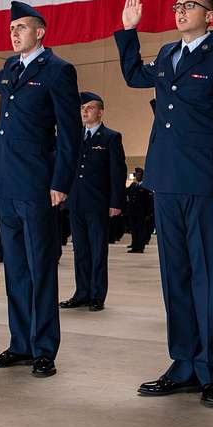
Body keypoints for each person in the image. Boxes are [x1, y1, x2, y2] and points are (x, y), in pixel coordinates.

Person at [115, 0, 213, 408]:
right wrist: (129, 31)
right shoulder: (168, 53)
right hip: (168, 180)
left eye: (190, 5)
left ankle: (212, 371)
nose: (180, 11)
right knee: (174, 276)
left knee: (209, 277)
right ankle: (183, 364)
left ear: (210, 15)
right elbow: (135, 75)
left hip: (207, 182)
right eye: (177, 6)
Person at [0, 1, 82, 377]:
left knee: (40, 269)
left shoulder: (58, 71)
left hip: (36, 183)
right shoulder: (10, 69)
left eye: (21, 27)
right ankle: (20, 344)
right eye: (12, 28)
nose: (14, 33)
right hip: (4, 181)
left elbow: (70, 132)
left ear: (40, 32)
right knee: (15, 269)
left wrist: (60, 181)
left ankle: (44, 348)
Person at [61, 92, 127, 312]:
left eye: (89, 108)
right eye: (82, 108)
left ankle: (97, 295)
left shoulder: (110, 137)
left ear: (100, 111)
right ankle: (82, 293)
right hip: (76, 202)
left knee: (98, 250)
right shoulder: (74, 136)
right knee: (80, 250)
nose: (84, 112)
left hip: (98, 203)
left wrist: (115, 202)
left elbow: (117, 172)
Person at [125, 167, 153, 253]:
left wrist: (149, 213)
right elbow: (126, 192)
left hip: (142, 213)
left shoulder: (146, 186)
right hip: (132, 212)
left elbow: (149, 201)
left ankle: (140, 247)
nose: (137, 176)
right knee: (134, 230)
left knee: (141, 231)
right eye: (136, 174)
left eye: (139, 174)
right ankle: (134, 246)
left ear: (143, 176)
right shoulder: (134, 185)